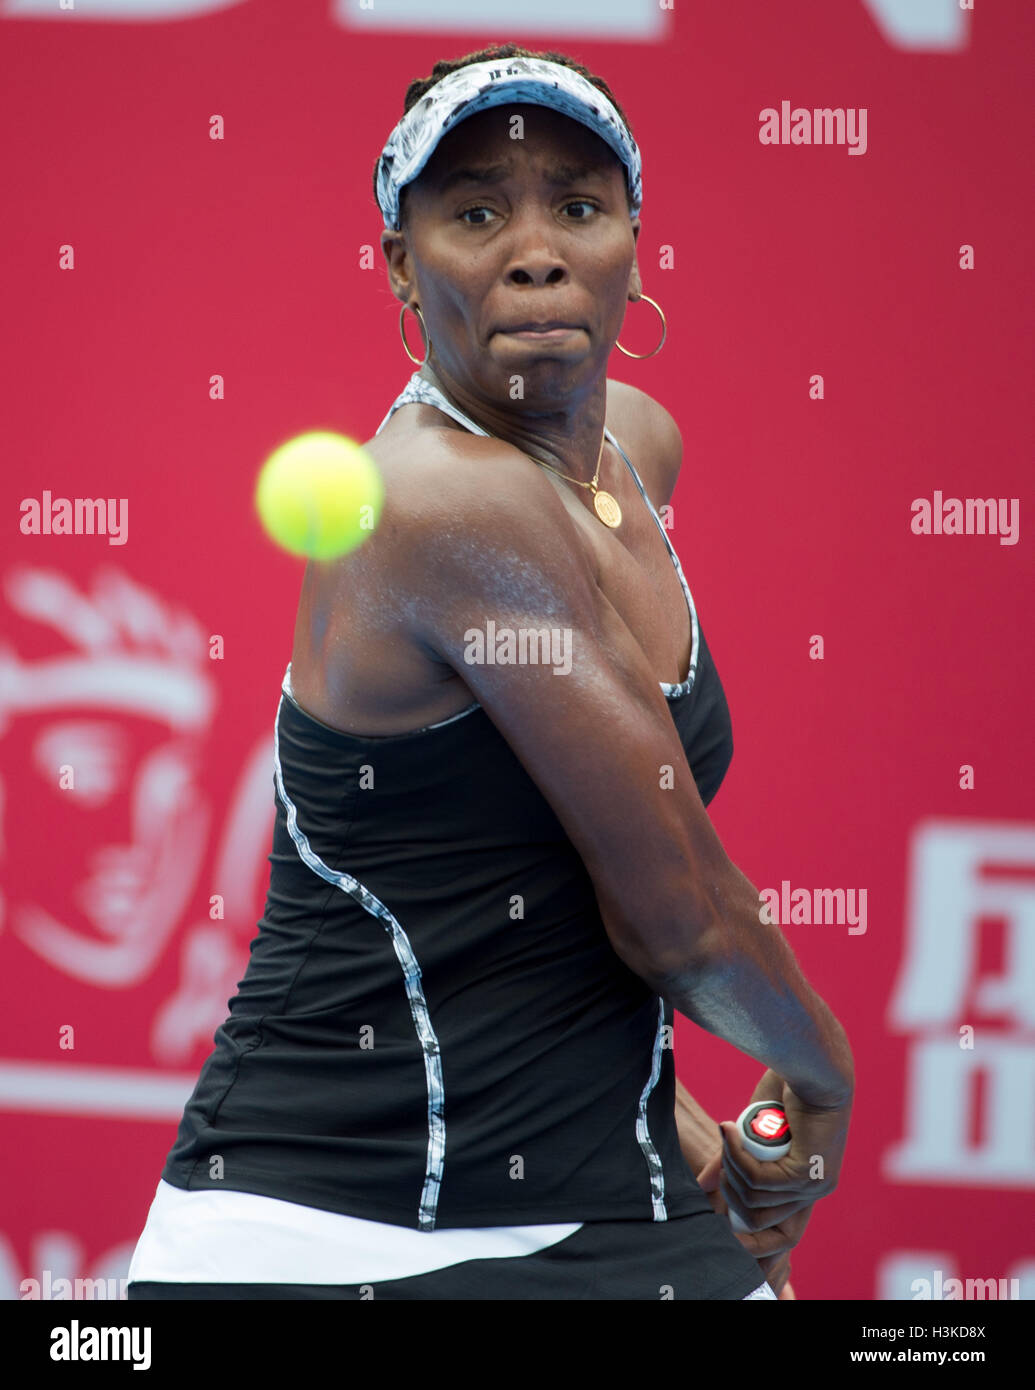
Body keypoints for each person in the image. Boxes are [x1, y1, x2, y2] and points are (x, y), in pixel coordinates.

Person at [127, 43, 853, 1302]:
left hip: (582, 1203)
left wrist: (668, 1121)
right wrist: (824, 1077)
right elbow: (675, 910)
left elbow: (532, 892)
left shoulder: (634, 449)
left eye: (578, 205)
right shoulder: (436, 501)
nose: (535, 250)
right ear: (401, 264)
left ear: (634, 240)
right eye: (474, 212)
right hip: (329, 1236)